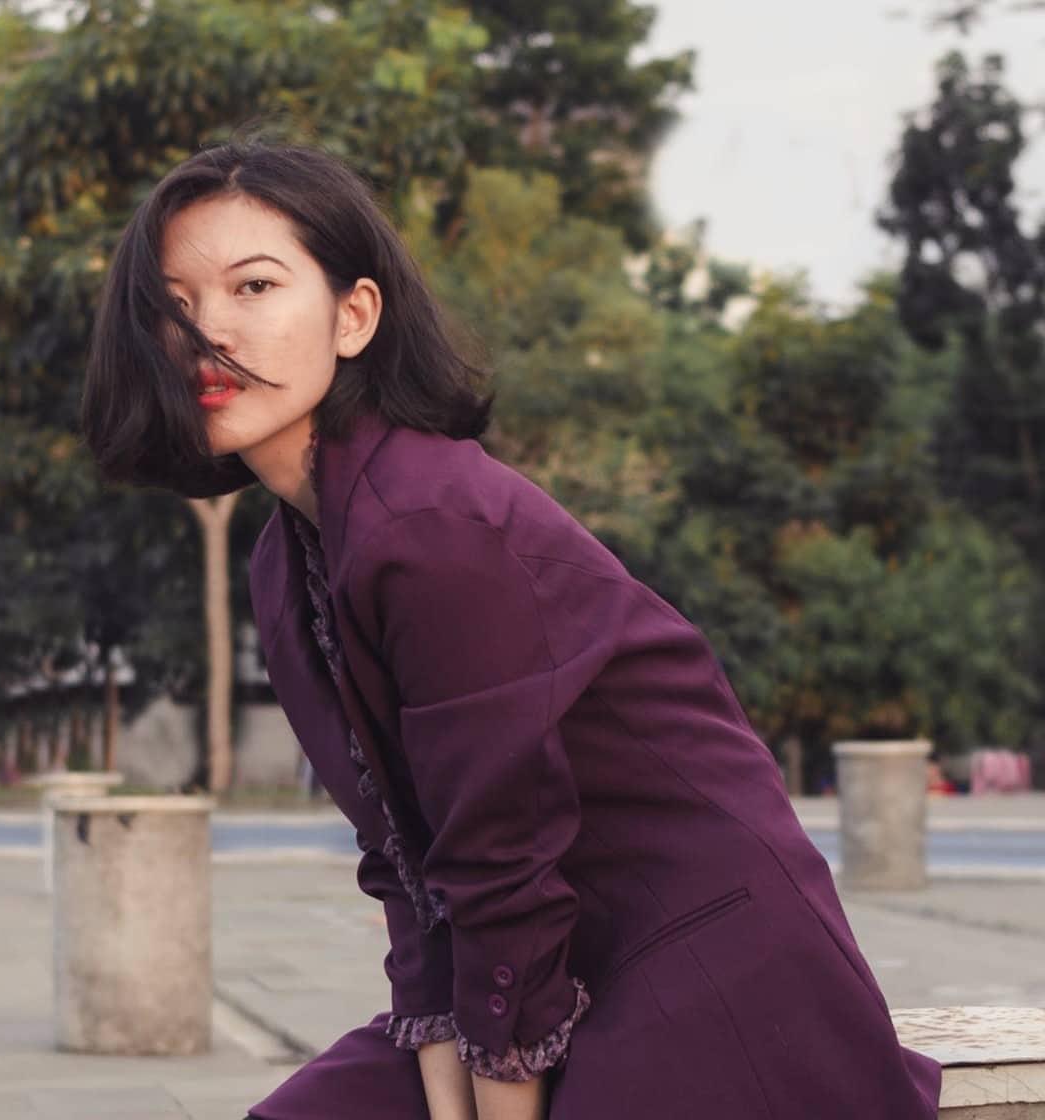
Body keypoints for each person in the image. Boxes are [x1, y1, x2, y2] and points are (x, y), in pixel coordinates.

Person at [80, 140, 942, 1120]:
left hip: (708, 958)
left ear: (354, 316)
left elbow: (500, 865)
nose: (208, 331)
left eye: (254, 285)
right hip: (538, 971)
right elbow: (411, 868)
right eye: (177, 301)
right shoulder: (289, 563)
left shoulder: (429, 521)